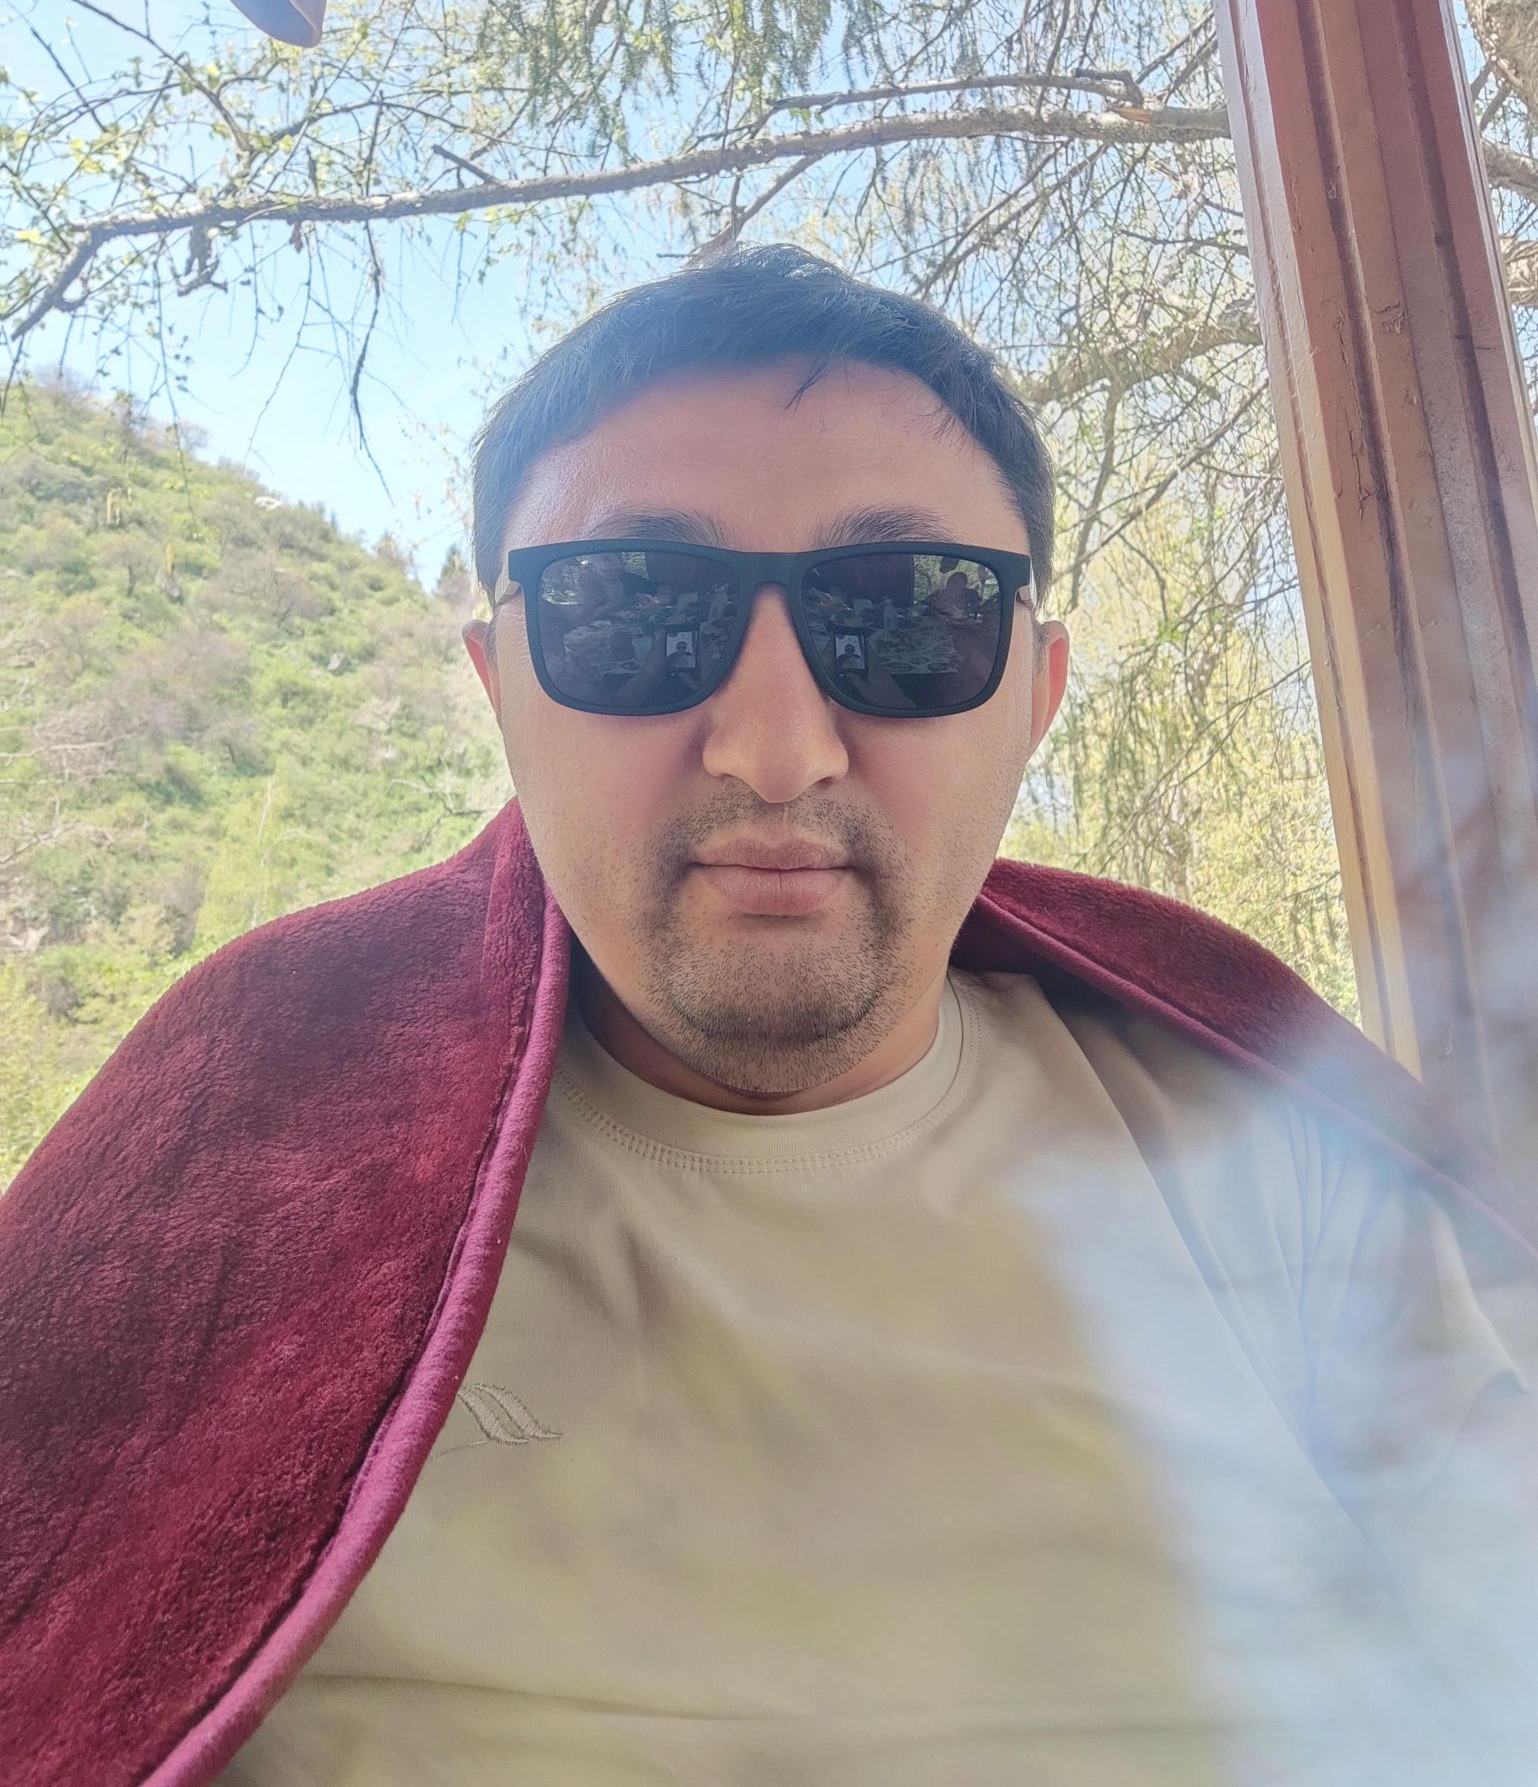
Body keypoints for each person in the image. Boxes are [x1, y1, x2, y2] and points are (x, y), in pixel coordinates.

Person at [1, 247, 1534, 1787]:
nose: (778, 749)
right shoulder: (246, 1151)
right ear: (501, 683)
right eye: (632, 614)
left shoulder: (1262, 1147)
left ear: (1033, 693)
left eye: (909, 618)